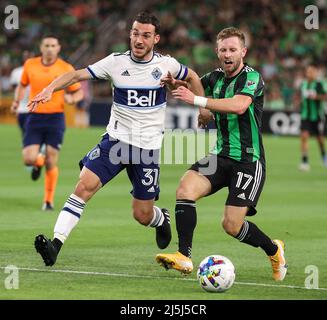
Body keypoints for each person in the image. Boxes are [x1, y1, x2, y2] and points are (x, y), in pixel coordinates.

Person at [28, 11, 205, 267]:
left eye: (145, 35)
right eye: (135, 33)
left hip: (146, 149)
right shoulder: (115, 62)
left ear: (156, 39)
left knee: (142, 215)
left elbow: (192, 77)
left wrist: (203, 108)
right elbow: (77, 75)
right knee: (83, 186)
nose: (139, 39)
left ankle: (160, 219)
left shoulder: (166, 65)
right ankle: (55, 244)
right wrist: (48, 88)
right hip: (116, 142)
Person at [156, 27, 288, 281]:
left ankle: (273, 249)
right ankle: (184, 256)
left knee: (231, 226)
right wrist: (176, 83)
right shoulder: (215, 77)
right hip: (221, 155)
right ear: (217, 52)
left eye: (232, 50)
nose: (227, 54)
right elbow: (194, 86)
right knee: (185, 189)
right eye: (223, 50)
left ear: (243, 52)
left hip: (248, 160)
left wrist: (198, 103)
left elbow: (239, 106)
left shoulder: (252, 77)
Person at [12, 35, 83, 210]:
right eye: (46, 45)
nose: (50, 48)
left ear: (58, 48)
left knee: (52, 160)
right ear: (41, 47)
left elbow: (79, 92)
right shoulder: (30, 64)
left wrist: (72, 99)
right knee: (28, 159)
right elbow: (22, 85)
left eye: (53, 45)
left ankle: (48, 201)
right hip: (34, 116)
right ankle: (37, 161)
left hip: (56, 118)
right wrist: (16, 101)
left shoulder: (66, 68)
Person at [298, 63, 327, 171]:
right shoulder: (303, 84)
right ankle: (304, 161)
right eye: (308, 72)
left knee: (319, 139)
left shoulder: (319, 84)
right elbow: (300, 97)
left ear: (315, 73)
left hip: (317, 116)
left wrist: (316, 96)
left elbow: (325, 96)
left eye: (312, 72)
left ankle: (324, 155)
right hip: (305, 116)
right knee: (304, 136)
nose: (310, 74)